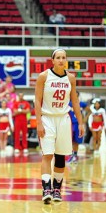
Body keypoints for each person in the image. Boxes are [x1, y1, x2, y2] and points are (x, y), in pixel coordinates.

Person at [34, 49, 84, 204]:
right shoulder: (43, 77)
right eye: (58, 58)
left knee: (61, 156)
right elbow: (37, 100)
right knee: (47, 155)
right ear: (53, 60)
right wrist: (39, 122)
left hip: (63, 119)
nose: (61, 60)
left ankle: (57, 189)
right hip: (48, 118)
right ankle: (46, 189)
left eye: (64, 58)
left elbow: (74, 101)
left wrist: (81, 122)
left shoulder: (71, 78)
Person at [67, 91, 87, 163]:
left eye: (76, 95)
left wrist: (85, 119)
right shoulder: (68, 103)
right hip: (70, 123)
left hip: (78, 124)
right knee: (69, 140)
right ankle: (70, 155)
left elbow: (89, 110)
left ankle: (75, 155)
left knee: (76, 140)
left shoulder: (81, 104)